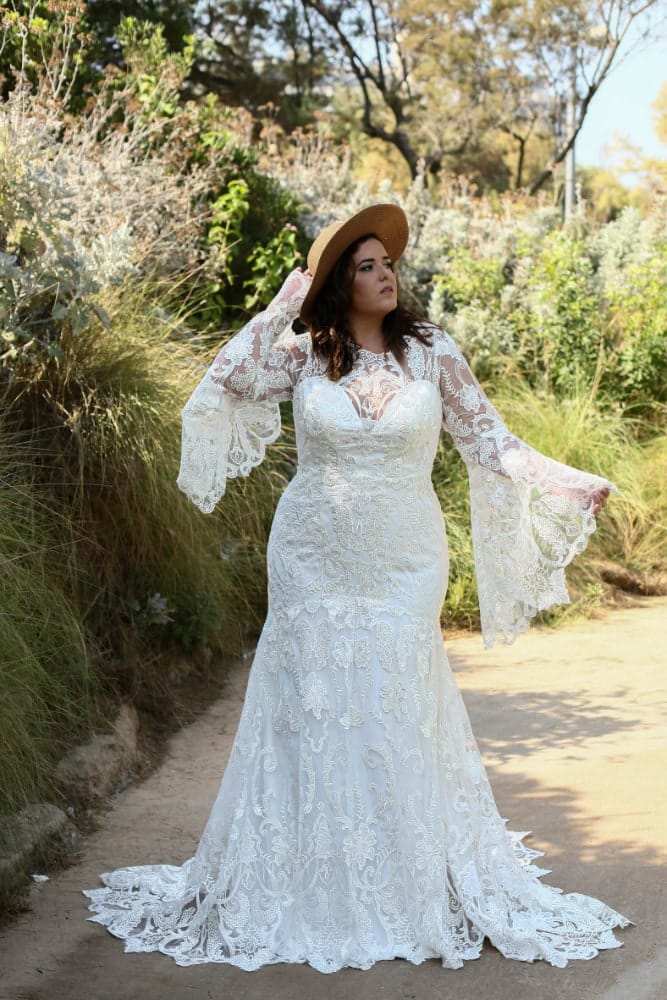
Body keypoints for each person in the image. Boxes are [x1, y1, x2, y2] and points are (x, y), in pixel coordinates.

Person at [84, 204, 629, 972]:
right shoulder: (306, 354)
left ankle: (401, 874)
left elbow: (488, 440)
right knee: (309, 699)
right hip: (312, 548)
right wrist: (281, 301)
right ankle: (306, 874)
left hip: (405, 554)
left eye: (386, 263)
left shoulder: (434, 351)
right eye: (365, 266)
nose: (385, 275)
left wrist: (565, 481)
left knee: (393, 694)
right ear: (336, 284)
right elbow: (228, 376)